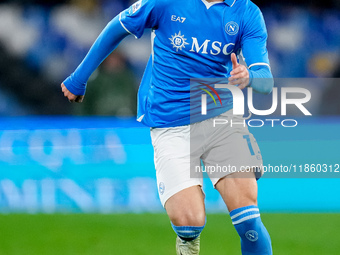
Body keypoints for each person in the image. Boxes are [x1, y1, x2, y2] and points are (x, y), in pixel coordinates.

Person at [61, 0, 274, 254]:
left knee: (247, 218)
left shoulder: (247, 12)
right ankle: (187, 240)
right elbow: (117, 27)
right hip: (170, 121)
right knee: (189, 223)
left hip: (221, 116)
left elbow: (265, 80)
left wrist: (249, 76)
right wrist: (78, 78)